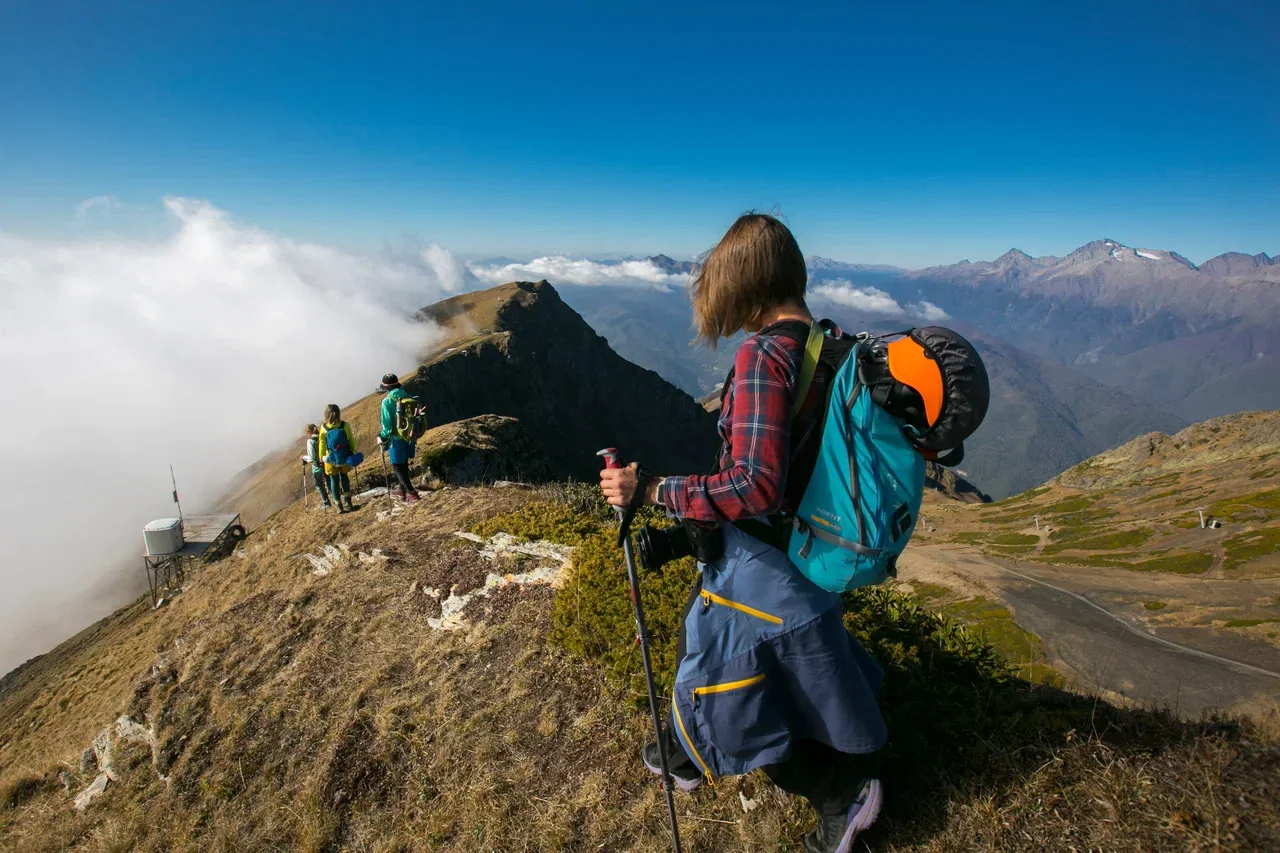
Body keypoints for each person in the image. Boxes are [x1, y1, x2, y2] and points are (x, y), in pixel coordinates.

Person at [600, 213, 886, 853]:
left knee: (738, 688)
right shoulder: (827, 344)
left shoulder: (763, 355)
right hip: (806, 550)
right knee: (730, 651)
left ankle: (843, 797)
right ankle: (681, 749)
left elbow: (753, 484)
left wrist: (651, 492)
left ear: (744, 281)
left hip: (769, 564)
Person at [376, 373, 420, 503]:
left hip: (396, 439)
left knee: (397, 465)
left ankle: (411, 492)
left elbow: (388, 426)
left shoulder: (387, 401)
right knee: (403, 462)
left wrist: (382, 437)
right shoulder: (407, 395)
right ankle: (401, 489)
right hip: (409, 436)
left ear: (385, 387)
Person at [317, 404, 358, 513]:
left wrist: (321, 456)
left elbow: (321, 443)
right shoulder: (344, 425)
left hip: (330, 459)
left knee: (334, 481)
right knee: (344, 477)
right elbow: (351, 440)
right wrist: (353, 451)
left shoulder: (324, 428)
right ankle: (348, 502)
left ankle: (339, 506)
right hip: (344, 456)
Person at [301, 423, 331, 509]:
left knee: (319, 484)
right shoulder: (322, 436)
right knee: (329, 480)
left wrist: (304, 457)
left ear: (308, 432)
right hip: (327, 462)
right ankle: (337, 498)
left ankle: (326, 503)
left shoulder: (311, 441)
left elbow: (312, 457)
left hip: (317, 466)